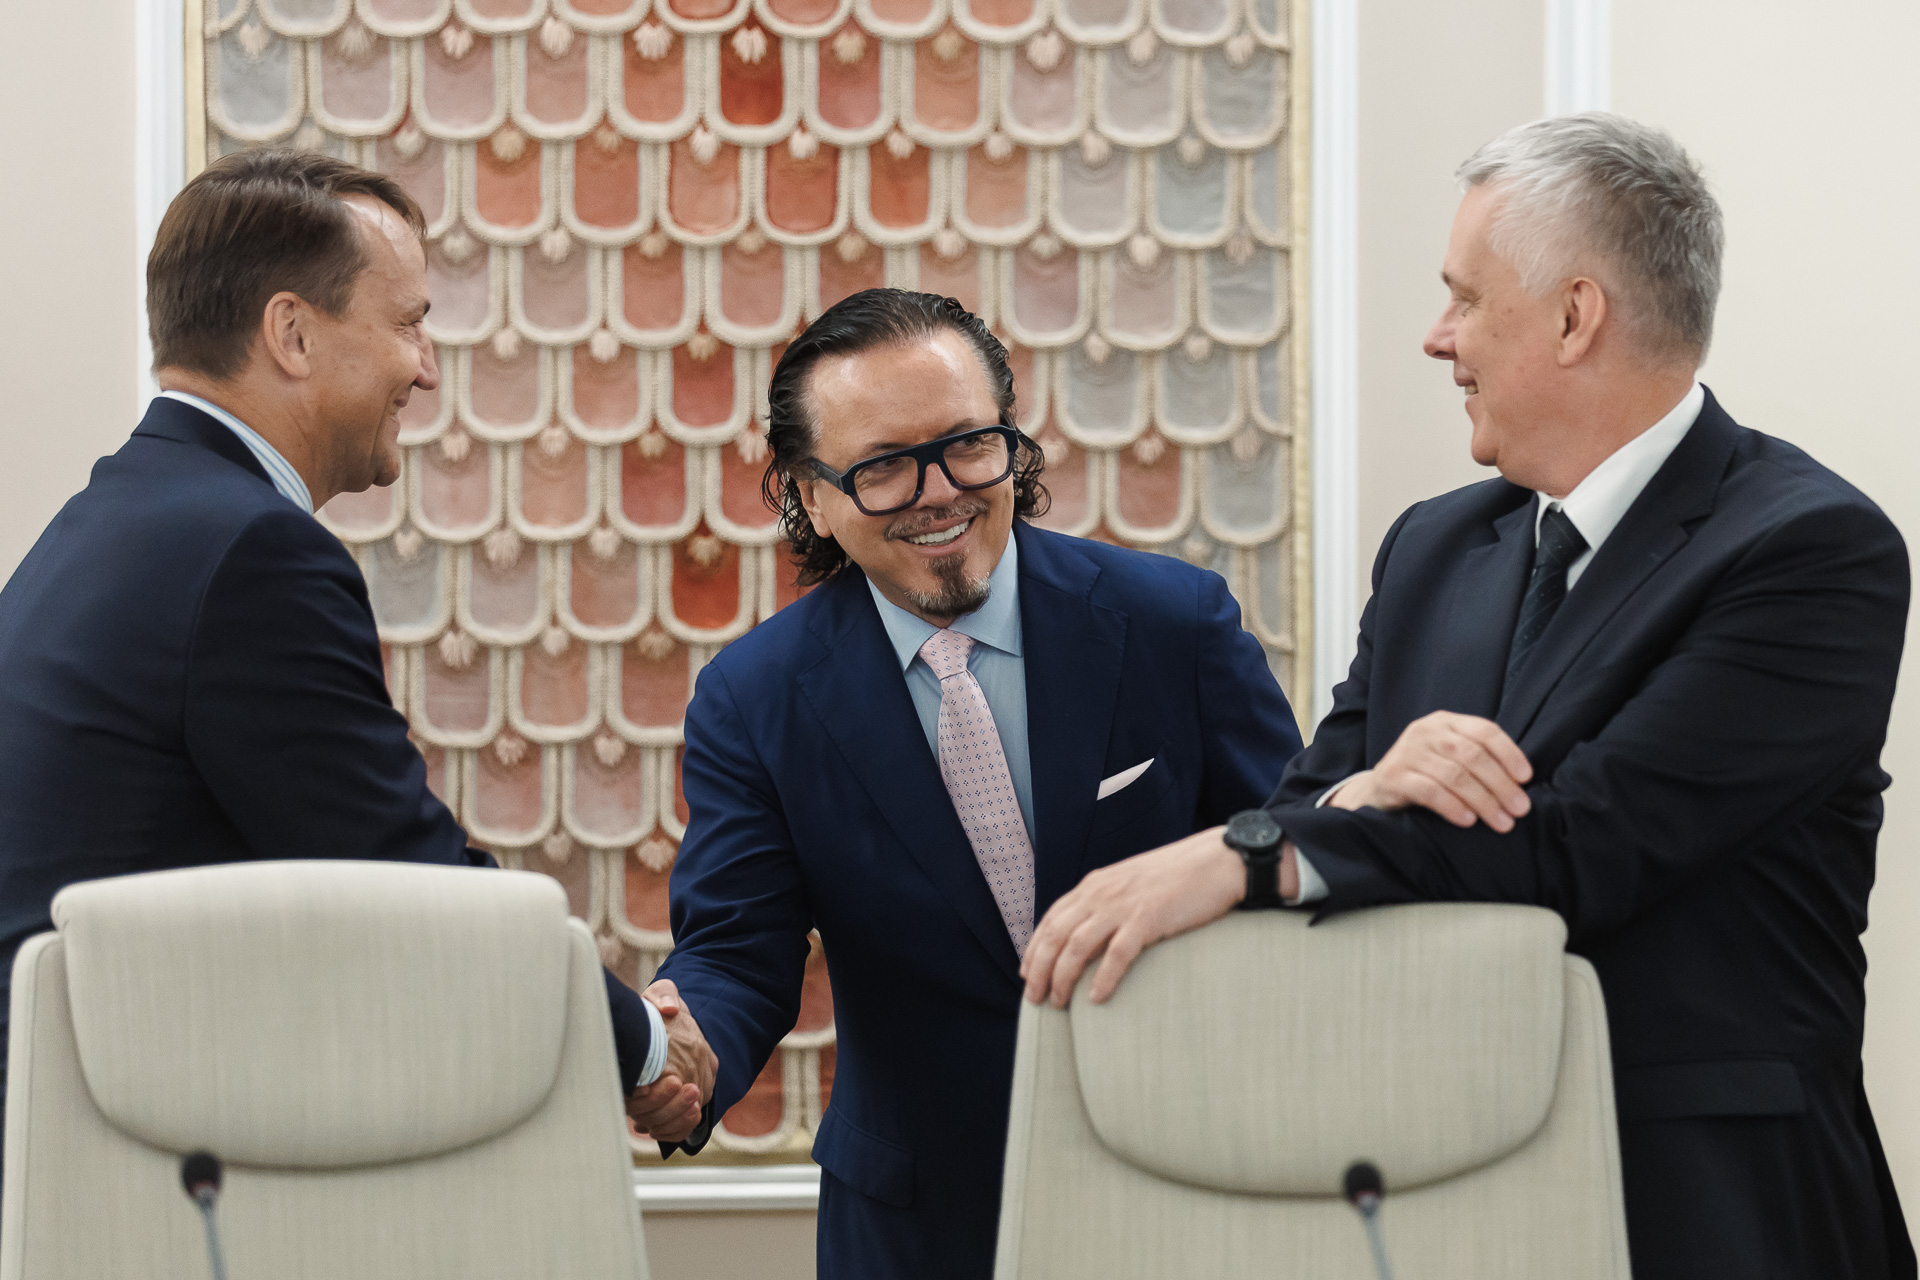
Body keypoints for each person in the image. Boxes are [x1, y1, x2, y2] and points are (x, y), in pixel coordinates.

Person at [1022, 113, 1914, 1280]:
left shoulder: (1812, 549)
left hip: (1715, 1214)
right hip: (1431, 1202)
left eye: (1465, 297)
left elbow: (1586, 845)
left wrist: (1247, 858)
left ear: (1575, 315)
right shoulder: (1433, 547)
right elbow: (1311, 802)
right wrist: (1363, 793)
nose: (1437, 337)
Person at [0, 150, 713, 1144]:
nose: (425, 367)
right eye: (408, 323)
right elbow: (398, 877)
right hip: (126, 1152)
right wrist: (641, 1043)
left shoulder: (112, 517)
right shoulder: (251, 551)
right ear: (292, 333)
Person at [633, 288, 1301, 1278]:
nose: (938, 491)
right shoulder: (753, 698)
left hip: (1189, 1186)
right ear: (812, 495)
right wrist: (685, 1056)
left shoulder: (1177, 623)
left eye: (968, 445)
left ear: (1010, 442)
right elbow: (738, 952)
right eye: (883, 466)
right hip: (914, 1227)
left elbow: (1290, 854)